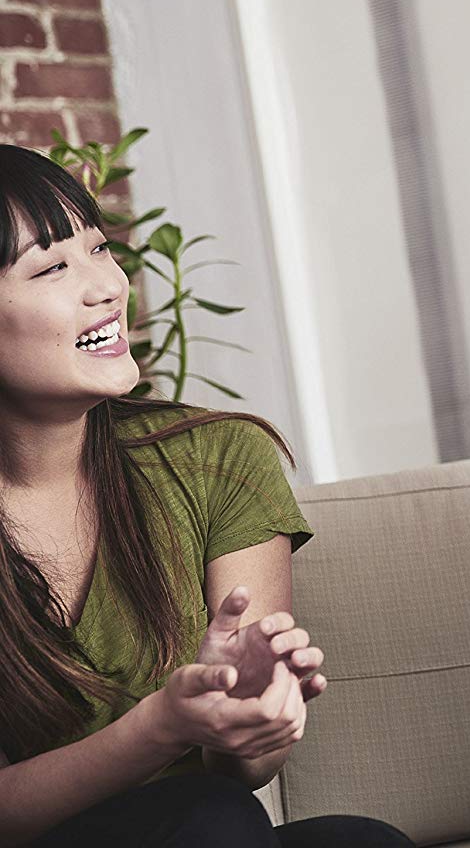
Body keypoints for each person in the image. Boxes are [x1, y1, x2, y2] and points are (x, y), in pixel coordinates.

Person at [0, 143, 412, 848]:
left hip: (209, 827)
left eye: (99, 248)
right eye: (53, 268)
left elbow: (243, 771)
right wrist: (159, 727)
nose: (107, 287)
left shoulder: (216, 459)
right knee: (209, 820)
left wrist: (250, 709)